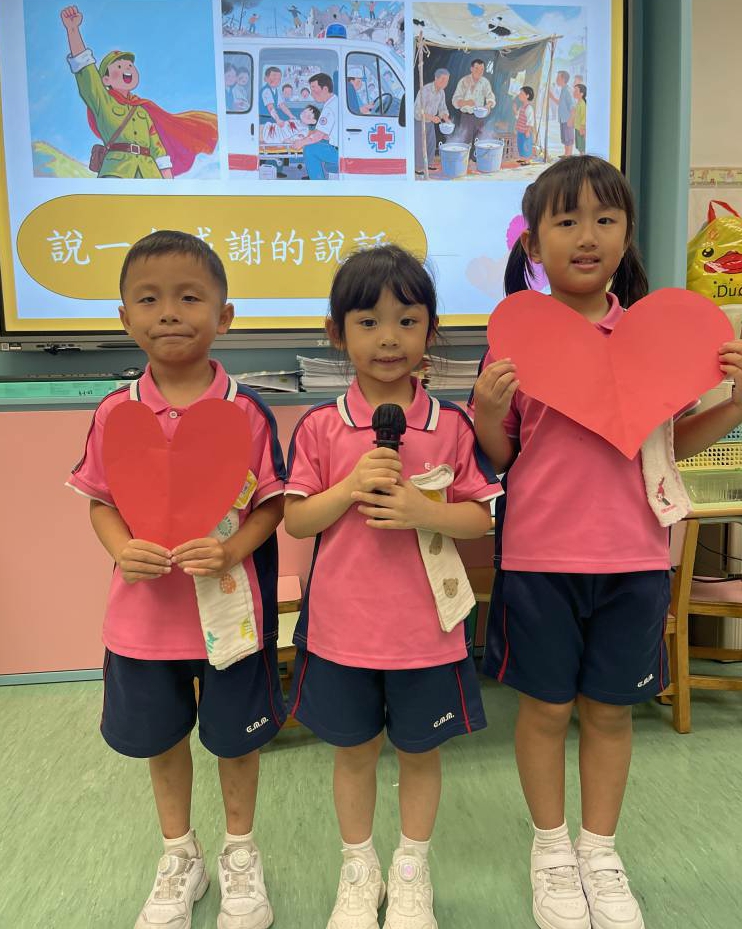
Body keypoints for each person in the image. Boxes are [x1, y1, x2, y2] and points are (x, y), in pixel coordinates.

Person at [470, 155, 742, 929]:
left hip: (636, 558)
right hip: (539, 560)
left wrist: (735, 405)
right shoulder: (515, 340)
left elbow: (670, 446)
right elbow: (501, 456)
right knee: (545, 709)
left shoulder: (657, 337)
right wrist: (487, 410)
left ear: (626, 233)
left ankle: (599, 848)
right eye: (566, 220)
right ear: (533, 243)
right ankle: (551, 849)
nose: (586, 235)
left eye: (604, 218)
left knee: (614, 712)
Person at [66, 230, 287, 929]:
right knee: (161, 740)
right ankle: (179, 854)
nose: (168, 312)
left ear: (225, 316)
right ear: (124, 317)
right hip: (145, 621)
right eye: (149, 299)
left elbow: (271, 505)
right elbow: (101, 501)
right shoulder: (115, 412)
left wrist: (230, 551)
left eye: (189, 298)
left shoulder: (248, 412)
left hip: (229, 619)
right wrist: (121, 546)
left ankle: (241, 851)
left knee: (236, 741)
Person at [284, 245, 501, 929]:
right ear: (336, 332)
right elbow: (296, 518)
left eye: (407, 321)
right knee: (353, 755)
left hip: (427, 633)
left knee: (420, 752)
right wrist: (351, 486)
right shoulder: (321, 426)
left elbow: (480, 517)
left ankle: (411, 870)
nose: (388, 339)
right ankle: (358, 869)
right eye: (369, 322)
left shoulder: (451, 424)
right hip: (342, 631)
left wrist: (422, 512)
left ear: (431, 331)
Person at [61, 5, 217, 179]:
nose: (127, 69)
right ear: (106, 80)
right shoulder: (102, 102)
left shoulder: (142, 111)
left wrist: (168, 181)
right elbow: (87, 71)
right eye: (119, 66)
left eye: (129, 65)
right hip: (117, 172)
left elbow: (157, 148)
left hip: (150, 175)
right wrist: (73, 30)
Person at [291, 72, 339, 179]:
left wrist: (301, 142)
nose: (311, 94)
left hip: (338, 152)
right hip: (337, 147)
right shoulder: (335, 101)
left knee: (310, 149)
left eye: (314, 89)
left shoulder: (329, 108)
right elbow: (325, 134)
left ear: (325, 89)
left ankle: (317, 182)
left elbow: (318, 136)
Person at [451, 58, 495, 154]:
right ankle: (465, 161)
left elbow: (490, 96)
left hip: (480, 117)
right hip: (466, 117)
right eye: (476, 69)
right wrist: (466, 102)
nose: (479, 72)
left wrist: (488, 105)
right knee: (465, 142)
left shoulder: (485, 82)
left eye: (482, 69)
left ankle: (475, 160)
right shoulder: (463, 81)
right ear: (471, 69)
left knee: (479, 141)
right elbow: (455, 101)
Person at [413, 68, 451, 175]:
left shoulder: (441, 92)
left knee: (431, 142)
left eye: (447, 80)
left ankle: (429, 164)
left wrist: (446, 118)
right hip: (419, 121)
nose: (445, 83)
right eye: (442, 79)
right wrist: (432, 117)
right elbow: (417, 111)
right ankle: (418, 167)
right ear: (436, 78)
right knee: (420, 144)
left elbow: (442, 108)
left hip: (430, 122)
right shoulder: (425, 91)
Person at [549, 70, 575, 157]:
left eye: (558, 78)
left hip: (567, 119)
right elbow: (560, 103)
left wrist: (570, 120)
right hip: (563, 119)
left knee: (569, 138)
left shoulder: (567, 91)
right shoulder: (563, 90)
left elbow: (573, 107)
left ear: (563, 79)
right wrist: (552, 97)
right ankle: (566, 154)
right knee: (565, 138)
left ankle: (568, 155)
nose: (556, 80)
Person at [513, 85, 535, 163]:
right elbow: (518, 117)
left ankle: (527, 160)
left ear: (527, 96)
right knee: (520, 144)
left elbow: (530, 121)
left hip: (525, 131)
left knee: (526, 146)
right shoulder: (522, 107)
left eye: (522, 94)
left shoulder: (529, 108)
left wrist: (528, 130)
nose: (519, 95)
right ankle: (522, 158)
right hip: (520, 130)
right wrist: (515, 110)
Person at [572, 83, 587, 154]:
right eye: (574, 90)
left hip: (580, 129)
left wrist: (582, 127)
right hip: (577, 128)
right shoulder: (578, 103)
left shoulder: (582, 104)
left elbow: (584, 116)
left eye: (576, 91)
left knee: (582, 147)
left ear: (581, 94)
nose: (574, 92)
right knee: (579, 147)